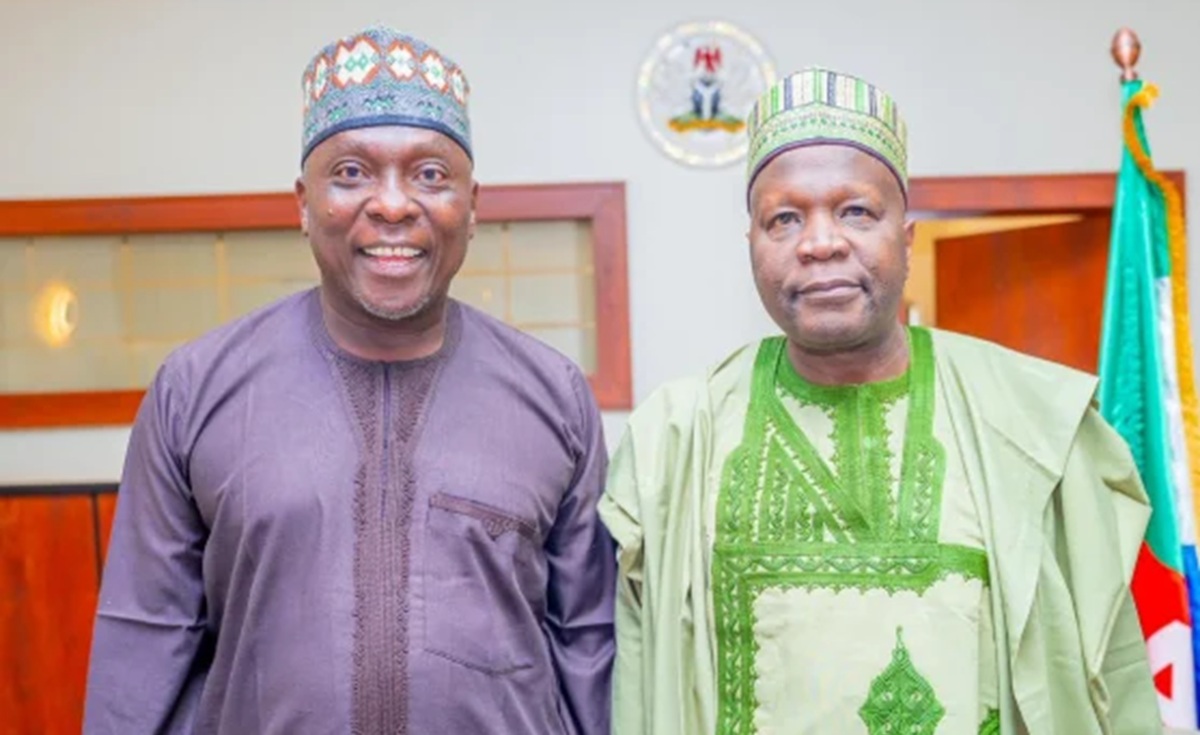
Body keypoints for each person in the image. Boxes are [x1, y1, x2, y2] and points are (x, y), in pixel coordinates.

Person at [599, 67, 1162, 735]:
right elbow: (635, 686)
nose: (819, 242)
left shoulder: (1038, 423)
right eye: (783, 218)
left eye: (855, 210)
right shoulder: (675, 440)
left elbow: (1114, 676)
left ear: (907, 235)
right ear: (751, 245)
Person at [84, 25, 615, 735]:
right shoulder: (196, 389)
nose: (392, 204)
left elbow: (588, 644)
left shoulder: (554, 396)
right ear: (303, 203)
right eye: (352, 173)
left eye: (429, 174)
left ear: (473, 204)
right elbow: (142, 637)